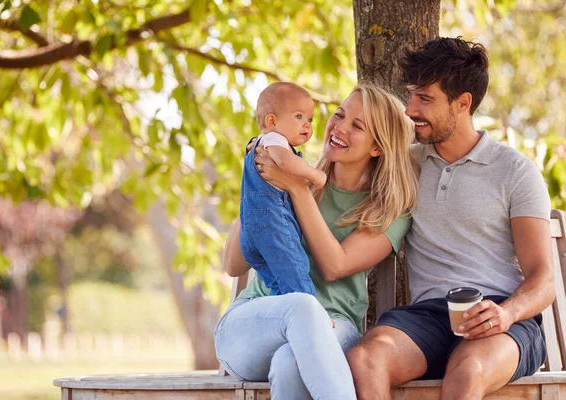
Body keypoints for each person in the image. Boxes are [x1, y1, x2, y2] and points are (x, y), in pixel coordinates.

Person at [347, 37, 554, 400]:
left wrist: (505, 314)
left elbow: (543, 279)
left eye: (425, 98)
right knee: (367, 358)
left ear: (463, 103)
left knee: (467, 372)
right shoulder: (405, 164)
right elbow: (341, 181)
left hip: (503, 320)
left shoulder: (514, 171)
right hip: (427, 318)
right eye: (411, 95)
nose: (410, 109)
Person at [215, 82, 419, 400]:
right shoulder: (288, 169)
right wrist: (258, 186)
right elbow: (232, 264)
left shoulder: (388, 210)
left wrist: (297, 190)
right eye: (339, 115)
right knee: (299, 307)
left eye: (357, 126)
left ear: (377, 147)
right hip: (253, 323)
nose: (338, 128)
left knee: (289, 361)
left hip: (334, 326)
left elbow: (335, 265)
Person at [240, 82, 326, 296]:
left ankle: (285, 310)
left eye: (310, 119)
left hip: (251, 232)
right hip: (273, 226)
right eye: (299, 117)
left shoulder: (258, 144)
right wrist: (314, 174)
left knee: (279, 284)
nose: (306, 125)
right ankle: (310, 313)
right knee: (296, 271)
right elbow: (286, 161)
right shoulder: (274, 140)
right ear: (272, 120)